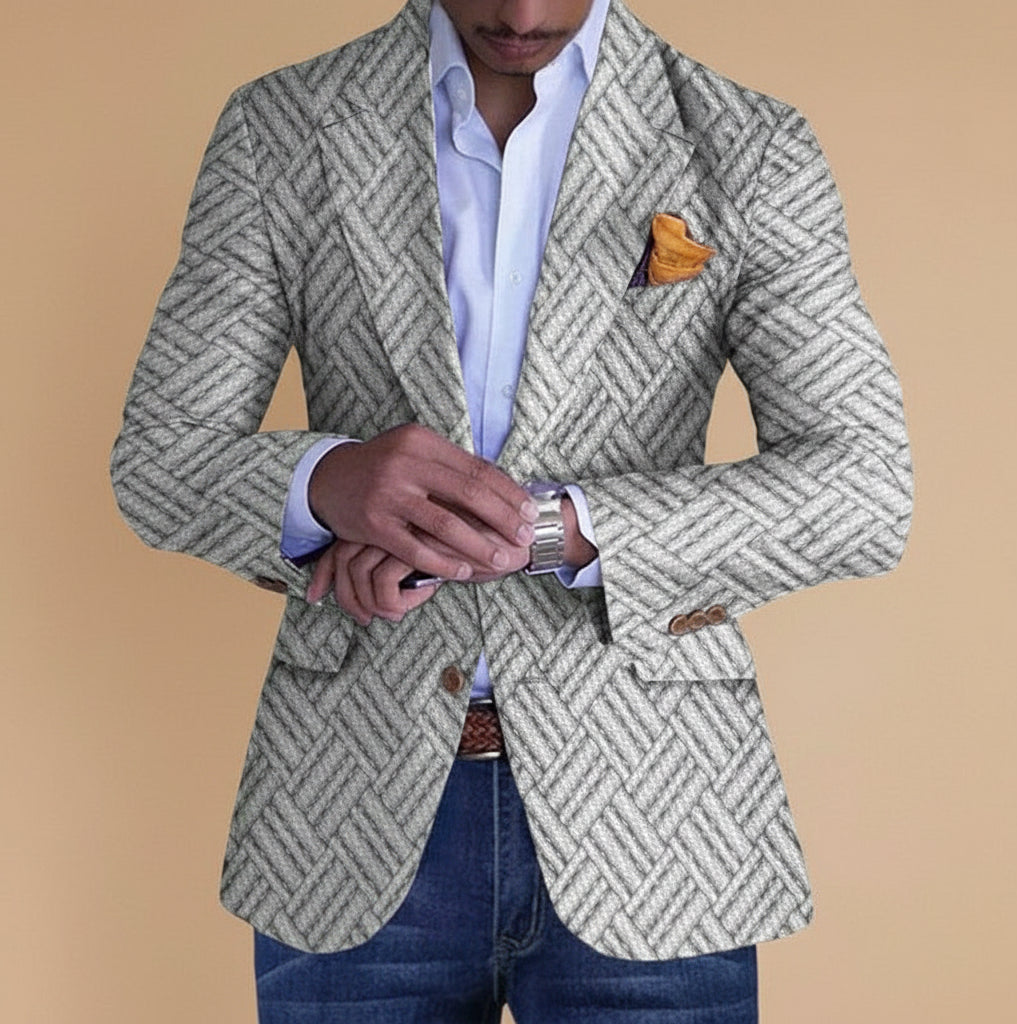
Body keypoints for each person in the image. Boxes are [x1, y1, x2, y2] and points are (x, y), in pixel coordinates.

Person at [110, 0, 914, 1019]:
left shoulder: (748, 144)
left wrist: (556, 530)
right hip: (349, 813)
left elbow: (862, 485)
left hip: (655, 820)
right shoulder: (287, 125)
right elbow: (159, 459)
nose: (522, 13)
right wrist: (328, 484)